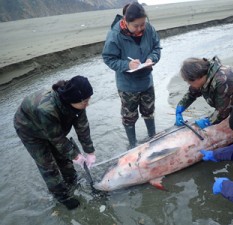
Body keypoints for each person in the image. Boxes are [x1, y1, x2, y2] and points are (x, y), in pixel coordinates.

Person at [14, 75, 97, 210]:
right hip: (29, 129)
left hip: (53, 127)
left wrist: (89, 151)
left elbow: (82, 127)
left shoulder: (79, 102)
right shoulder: (47, 108)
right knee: (48, 165)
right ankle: (61, 196)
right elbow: (57, 139)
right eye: (85, 101)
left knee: (64, 157)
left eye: (89, 99)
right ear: (72, 100)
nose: (88, 104)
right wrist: (76, 155)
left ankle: (72, 180)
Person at [102, 2, 161, 149]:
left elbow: (156, 47)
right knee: (129, 117)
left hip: (146, 81)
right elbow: (109, 58)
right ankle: (133, 145)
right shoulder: (115, 35)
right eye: (136, 25)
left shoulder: (149, 29)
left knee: (149, 111)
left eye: (143, 24)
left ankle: (153, 137)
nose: (140, 28)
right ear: (125, 22)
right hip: (127, 86)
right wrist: (127, 65)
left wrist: (152, 59)